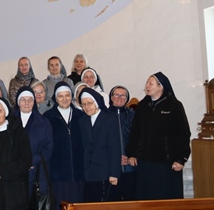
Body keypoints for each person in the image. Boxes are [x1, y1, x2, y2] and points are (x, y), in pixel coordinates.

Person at [126, 72, 191, 200]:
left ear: (161, 86)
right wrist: (131, 154)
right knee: (146, 198)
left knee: (166, 199)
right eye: (147, 83)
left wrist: (181, 158)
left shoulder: (174, 106)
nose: (147, 86)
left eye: (151, 84)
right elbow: (135, 132)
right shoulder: (142, 106)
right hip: (145, 162)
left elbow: (183, 133)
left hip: (168, 163)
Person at [42, 82, 85, 210]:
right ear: (55, 98)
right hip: (58, 171)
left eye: (67, 95)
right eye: (61, 96)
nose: (64, 99)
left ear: (72, 97)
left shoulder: (80, 115)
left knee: (77, 205)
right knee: (60, 206)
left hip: (78, 170)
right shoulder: (48, 117)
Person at [14, 87, 54, 210]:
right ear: (18, 102)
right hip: (16, 173)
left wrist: (32, 160)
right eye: (23, 100)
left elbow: (48, 148)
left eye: (30, 100)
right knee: (18, 209)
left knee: (37, 206)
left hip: (37, 172)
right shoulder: (10, 121)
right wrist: (19, 162)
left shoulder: (43, 122)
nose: (26, 103)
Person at [78, 88, 121, 202]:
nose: (87, 107)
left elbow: (115, 148)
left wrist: (114, 173)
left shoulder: (109, 119)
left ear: (96, 102)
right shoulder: (82, 120)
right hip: (88, 171)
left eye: (89, 103)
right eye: (83, 104)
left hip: (105, 171)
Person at [108, 85, 137, 200]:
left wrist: (131, 155)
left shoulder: (133, 115)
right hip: (110, 169)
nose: (119, 98)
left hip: (130, 167)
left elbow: (138, 139)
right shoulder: (104, 115)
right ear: (111, 97)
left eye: (123, 95)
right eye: (117, 95)